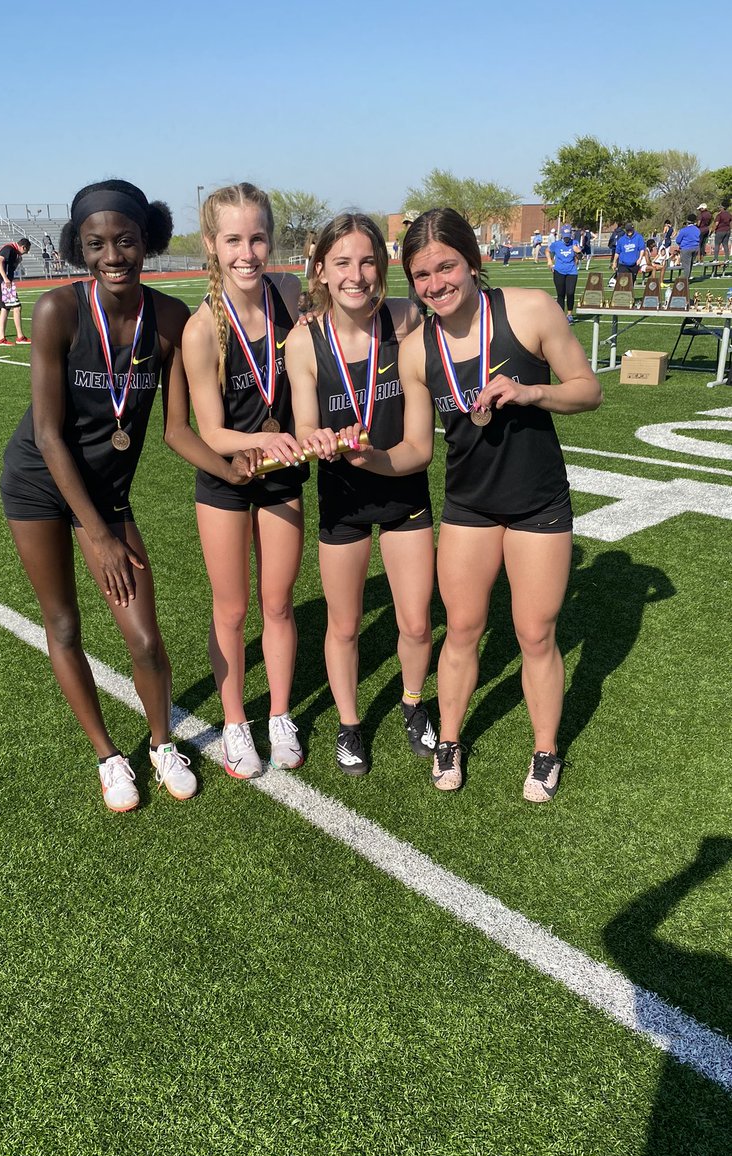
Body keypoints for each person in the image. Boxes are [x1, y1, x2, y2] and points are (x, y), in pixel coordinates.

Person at [0, 179, 259, 813]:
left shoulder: (169, 319)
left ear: (148, 242)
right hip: (39, 483)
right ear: (79, 248)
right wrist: (99, 536)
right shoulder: (57, 311)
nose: (112, 255)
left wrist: (229, 470)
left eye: (126, 241)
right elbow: (48, 435)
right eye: (96, 244)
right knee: (64, 624)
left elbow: (176, 430)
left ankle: (161, 743)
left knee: (143, 638)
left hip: (107, 493)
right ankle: (107, 756)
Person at [393, 208, 601, 801]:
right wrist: (368, 458)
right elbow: (416, 449)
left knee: (535, 634)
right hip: (469, 506)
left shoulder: (529, 310)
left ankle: (545, 750)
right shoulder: (415, 350)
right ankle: (449, 741)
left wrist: (531, 392)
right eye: (422, 275)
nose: (435, 284)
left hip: (538, 502)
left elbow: (589, 390)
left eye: (446, 267)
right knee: (461, 628)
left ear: (473, 262)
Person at [286, 214, 435, 776]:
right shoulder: (304, 339)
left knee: (415, 622)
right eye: (342, 262)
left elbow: (422, 442)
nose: (356, 274)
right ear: (321, 270)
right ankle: (349, 724)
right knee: (344, 625)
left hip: (404, 489)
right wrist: (317, 439)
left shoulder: (406, 319)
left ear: (383, 266)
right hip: (343, 498)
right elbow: (304, 425)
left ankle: (413, 703)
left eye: (367, 261)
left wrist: (371, 456)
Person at [182, 182, 307, 780]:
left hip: (283, 474)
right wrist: (261, 441)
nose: (247, 252)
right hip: (228, 482)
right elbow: (209, 432)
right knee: (231, 610)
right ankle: (235, 722)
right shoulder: (201, 328)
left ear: (270, 240)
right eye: (233, 239)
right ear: (212, 244)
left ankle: (280, 714)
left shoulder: (288, 294)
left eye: (257, 238)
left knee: (278, 604)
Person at [0, 237, 32, 345]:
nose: (26, 253)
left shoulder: (13, 252)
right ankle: (14, 337)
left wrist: (17, 262)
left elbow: (9, 267)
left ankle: (7, 337)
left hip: (5, 281)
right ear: (23, 247)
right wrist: (5, 278)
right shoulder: (9, 249)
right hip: (3, 282)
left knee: (8, 308)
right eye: (26, 250)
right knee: (13, 307)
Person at [546, 224, 581, 322]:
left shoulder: (575, 243)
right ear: (562, 235)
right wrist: (549, 261)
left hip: (571, 271)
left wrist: (578, 252)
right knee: (560, 294)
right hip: (559, 271)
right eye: (565, 237)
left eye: (568, 237)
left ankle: (569, 314)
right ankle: (561, 315)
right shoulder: (556, 244)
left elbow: (580, 257)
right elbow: (547, 251)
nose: (567, 239)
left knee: (570, 293)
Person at [673, 214, 701, 280]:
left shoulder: (683, 230)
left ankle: (685, 279)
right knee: (690, 264)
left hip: (686, 248)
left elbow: (678, 240)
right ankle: (688, 276)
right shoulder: (697, 230)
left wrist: (680, 245)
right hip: (695, 248)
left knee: (686, 265)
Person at [712, 199, 731, 272]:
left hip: (720, 231)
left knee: (717, 245)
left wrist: (712, 230)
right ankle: (727, 259)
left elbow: (716, 224)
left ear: (722, 207)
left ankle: (715, 259)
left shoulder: (719, 215)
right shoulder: (729, 214)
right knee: (725, 245)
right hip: (727, 231)